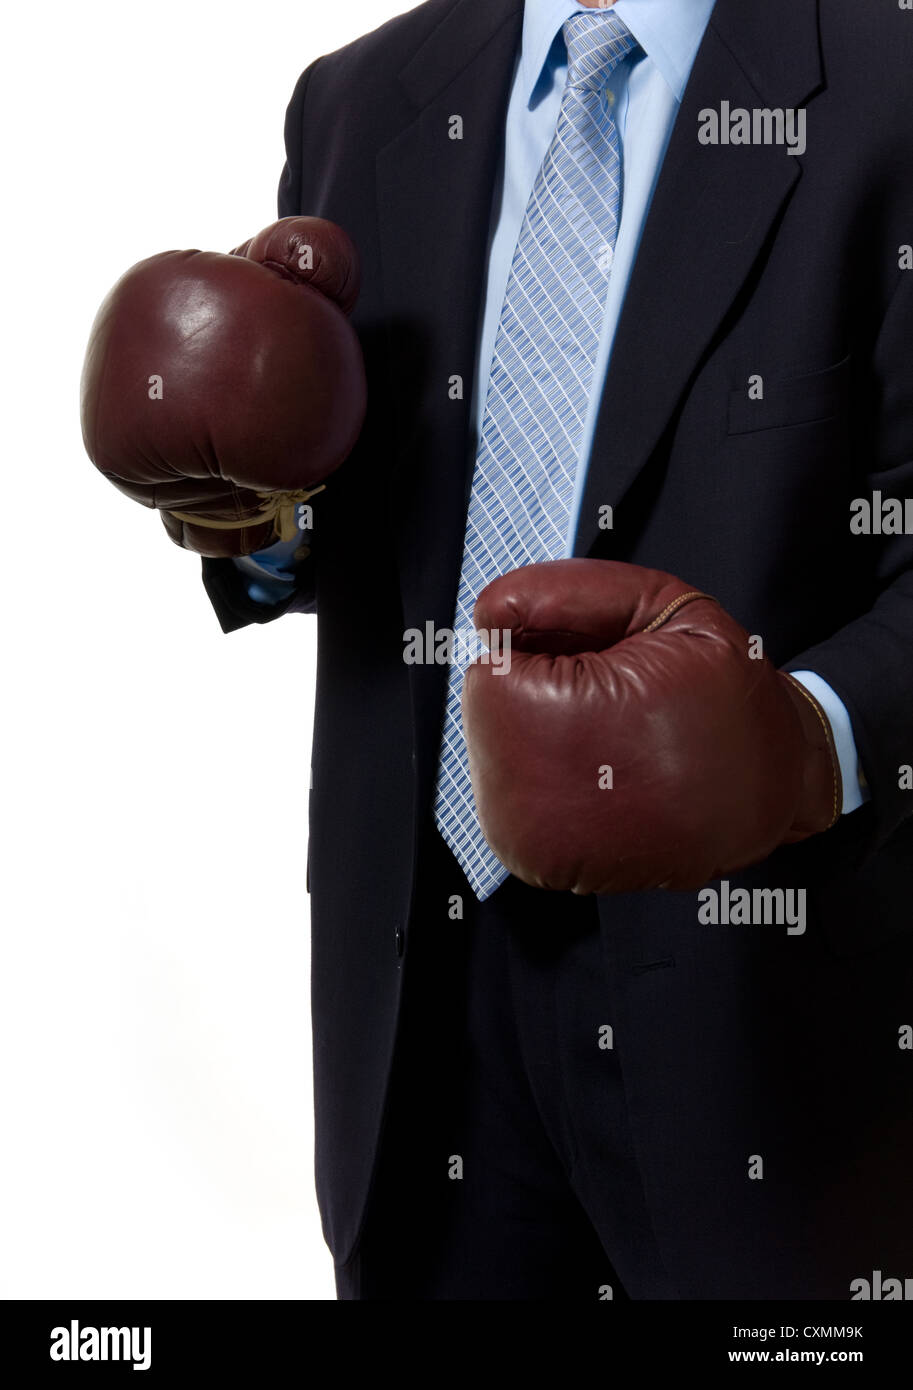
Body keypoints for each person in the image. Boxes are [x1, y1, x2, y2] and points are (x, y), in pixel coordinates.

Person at [85, 0, 913, 1299]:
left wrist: (808, 739)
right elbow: (369, 530)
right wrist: (256, 514)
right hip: (421, 1002)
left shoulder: (887, 84)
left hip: (769, 1019)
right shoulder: (356, 100)